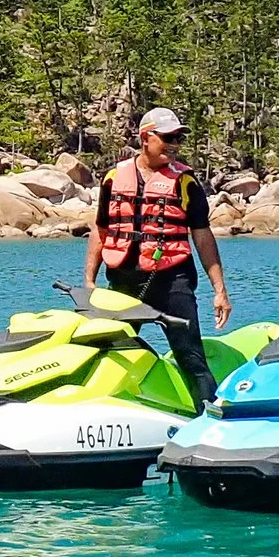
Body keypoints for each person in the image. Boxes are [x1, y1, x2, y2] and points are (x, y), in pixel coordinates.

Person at [81, 107, 233, 405]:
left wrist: (220, 290)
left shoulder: (186, 182)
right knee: (109, 354)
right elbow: (101, 229)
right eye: (168, 137)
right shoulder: (113, 177)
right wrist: (89, 279)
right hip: (123, 283)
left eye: (178, 138)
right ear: (145, 138)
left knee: (191, 359)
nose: (174, 144)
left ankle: (211, 420)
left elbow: (202, 236)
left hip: (172, 282)